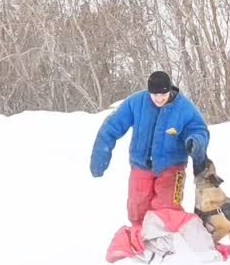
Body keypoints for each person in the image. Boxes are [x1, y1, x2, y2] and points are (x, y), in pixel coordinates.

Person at [89, 70, 210, 226]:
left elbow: (199, 129)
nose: (159, 99)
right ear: (149, 92)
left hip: (172, 166)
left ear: (170, 90)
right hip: (140, 164)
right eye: (154, 95)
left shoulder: (184, 108)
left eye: (163, 95)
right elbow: (110, 128)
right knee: (138, 209)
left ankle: (168, 242)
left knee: (168, 210)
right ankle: (141, 241)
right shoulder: (136, 103)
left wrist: (195, 142)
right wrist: (100, 157)